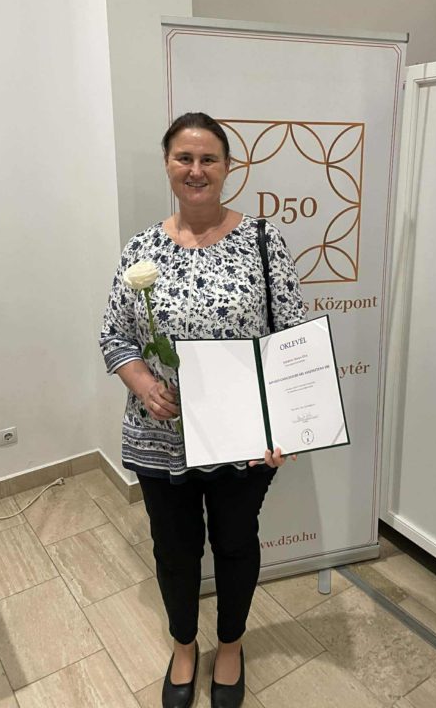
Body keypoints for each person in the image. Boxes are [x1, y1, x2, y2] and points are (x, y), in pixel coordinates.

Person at [100, 112, 306, 708]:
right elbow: (114, 335)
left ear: (228, 167)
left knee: (236, 544)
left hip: (243, 442)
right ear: (168, 165)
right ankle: (185, 644)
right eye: (184, 158)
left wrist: (285, 425)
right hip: (161, 439)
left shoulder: (263, 241)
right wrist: (144, 383)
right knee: (175, 550)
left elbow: (292, 338)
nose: (196, 170)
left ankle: (232, 643)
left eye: (208, 159)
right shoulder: (141, 249)